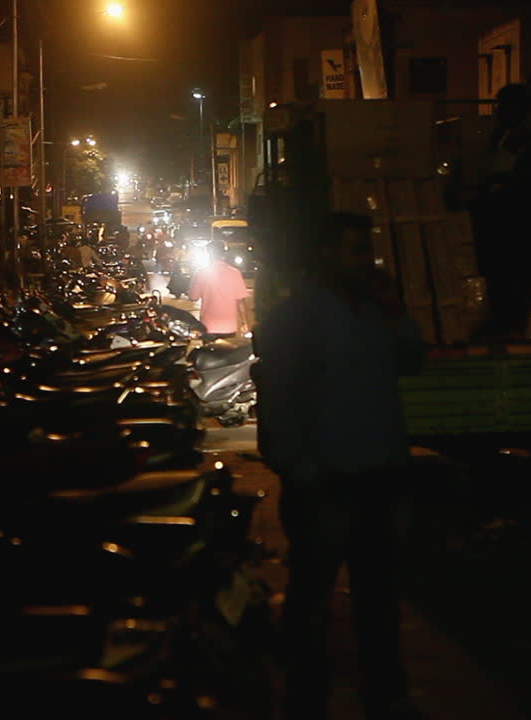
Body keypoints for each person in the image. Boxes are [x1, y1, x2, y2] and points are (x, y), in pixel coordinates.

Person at [253, 212, 426, 720]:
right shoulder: (294, 319)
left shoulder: (373, 312)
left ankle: (386, 693)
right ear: (326, 254)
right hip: (324, 484)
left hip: (378, 477)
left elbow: (412, 360)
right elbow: (277, 403)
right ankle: (306, 698)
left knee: (378, 598)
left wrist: (397, 311)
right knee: (311, 602)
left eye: (366, 250)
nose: (365, 261)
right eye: (355, 250)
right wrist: (301, 470)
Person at [188, 240, 249, 338]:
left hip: (208, 326)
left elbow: (193, 297)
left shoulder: (201, 273)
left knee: (209, 353)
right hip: (229, 327)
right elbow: (241, 301)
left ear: (208, 253)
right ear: (223, 253)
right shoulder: (235, 273)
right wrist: (244, 323)